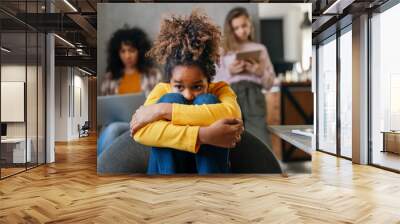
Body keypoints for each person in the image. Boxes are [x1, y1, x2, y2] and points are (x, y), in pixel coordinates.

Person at [130, 10, 244, 175]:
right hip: (165, 178)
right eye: (179, 86)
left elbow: (233, 114)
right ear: (170, 81)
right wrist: (203, 135)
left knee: (208, 100)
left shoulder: (219, 89)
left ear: (208, 79)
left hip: (207, 173)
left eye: (197, 87)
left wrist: (162, 110)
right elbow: (140, 132)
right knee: (170, 98)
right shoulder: (162, 89)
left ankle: (213, 192)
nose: (188, 95)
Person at [214, 7, 276, 147]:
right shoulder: (223, 51)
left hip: (254, 95)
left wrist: (259, 72)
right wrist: (230, 71)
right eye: (236, 28)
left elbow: (270, 84)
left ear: (250, 25)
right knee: (232, 137)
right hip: (230, 95)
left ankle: (265, 168)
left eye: (244, 25)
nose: (241, 30)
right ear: (230, 30)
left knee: (260, 138)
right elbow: (213, 83)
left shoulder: (260, 49)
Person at [98, 27, 161, 156]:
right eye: (123, 51)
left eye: (131, 50)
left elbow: (159, 104)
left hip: (143, 123)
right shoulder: (110, 78)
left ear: (140, 51)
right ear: (117, 53)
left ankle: (101, 165)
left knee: (112, 130)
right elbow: (104, 110)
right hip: (116, 124)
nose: (127, 55)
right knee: (111, 129)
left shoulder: (153, 75)